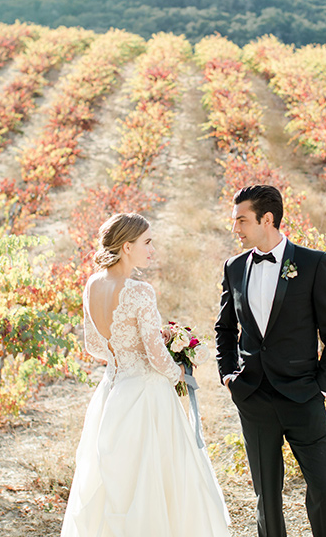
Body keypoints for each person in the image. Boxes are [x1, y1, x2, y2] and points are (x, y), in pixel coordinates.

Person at [60, 213, 231, 537]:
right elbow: (157, 357)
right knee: (156, 481)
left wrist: (122, 355)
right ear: (127, 246)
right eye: (147, 242)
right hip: (145, 396)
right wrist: (180, 370)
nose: (152, 249)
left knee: (115, 483)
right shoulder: (139, 291)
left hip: (111, 391)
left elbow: (94, 346)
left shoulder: (92, 285)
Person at [215, 185, 326, 537]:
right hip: (253, 396)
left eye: (242, 221)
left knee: (322, 487)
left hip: (304, 395)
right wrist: (228, 375)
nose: (236, 229)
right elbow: (225, 328)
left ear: (267, 219)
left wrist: (323, 388)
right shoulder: (233, 267)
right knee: (266, 496)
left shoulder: (313, 263)